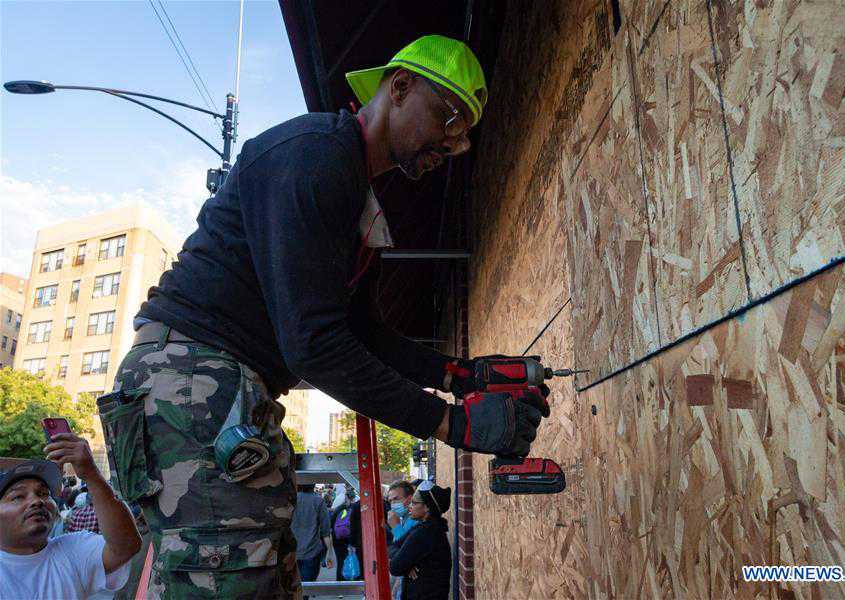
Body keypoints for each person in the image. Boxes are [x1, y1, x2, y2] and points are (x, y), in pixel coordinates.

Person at [99, 33, 550, 597]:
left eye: (465, 136)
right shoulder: (316, 154)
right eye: (449, 117)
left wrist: (459, 376)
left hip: (225, 385)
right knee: (230, 578)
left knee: (267, 576)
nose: (454, 144)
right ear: (401, 87)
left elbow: (363, 331)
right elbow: (313, 345)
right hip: (189, 376)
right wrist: (454, 425)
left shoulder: (359, 200)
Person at [0, 434, 142, 599]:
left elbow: (126, 547)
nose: (37, 501)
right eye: (18, 496)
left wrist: (91, 475)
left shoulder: (73, 549)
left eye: (43, 493)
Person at [389, 481, 452, 600]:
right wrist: (407, 565)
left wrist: (404, 563)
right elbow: (393, 547)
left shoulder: (426, 533)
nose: (410, 506)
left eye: (414, 503)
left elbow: (395, 567)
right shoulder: (422, 527)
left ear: (427, 507)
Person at [291, 482, 335, 585]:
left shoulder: (291, 500)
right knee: (306, 588)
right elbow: (325, 531)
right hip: (312, 551)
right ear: (313, 485)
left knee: (293, 589)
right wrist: (330, 553)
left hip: (291, 551)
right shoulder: (318, 501)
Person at [386, 480, 419, 599]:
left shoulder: (416, 520)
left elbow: (406, 549)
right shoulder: (403, 518)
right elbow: (394, 549)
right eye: (390, 501)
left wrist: (395, 526)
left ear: (409, 499)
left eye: (396, 499)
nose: (393, 504)